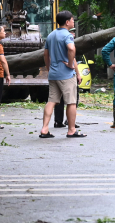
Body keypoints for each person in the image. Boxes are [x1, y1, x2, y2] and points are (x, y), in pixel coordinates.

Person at [39, 11, 85, 139]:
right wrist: (71, 64)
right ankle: (71, 130)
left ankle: (44, 129)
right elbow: (71, 49)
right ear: (67, 22)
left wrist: (49, 68)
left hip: (53, 74)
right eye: (72, 20)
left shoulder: (51, 35)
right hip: (66, 74)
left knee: (51, 101)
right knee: (71, 102)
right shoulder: (67, 35)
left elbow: (45, 54)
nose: (73, 21)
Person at [54, 27, 79, 129]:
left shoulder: (55, 40)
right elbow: (72, 61)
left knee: (59, 99)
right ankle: (66, 122)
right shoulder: (67, 43)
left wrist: (78, 74)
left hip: (58, 73)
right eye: (71, 32)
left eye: (74, 32)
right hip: (66, 74)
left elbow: (74, 61)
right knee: (71, 100)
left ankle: (63, 121)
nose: (73, 34)